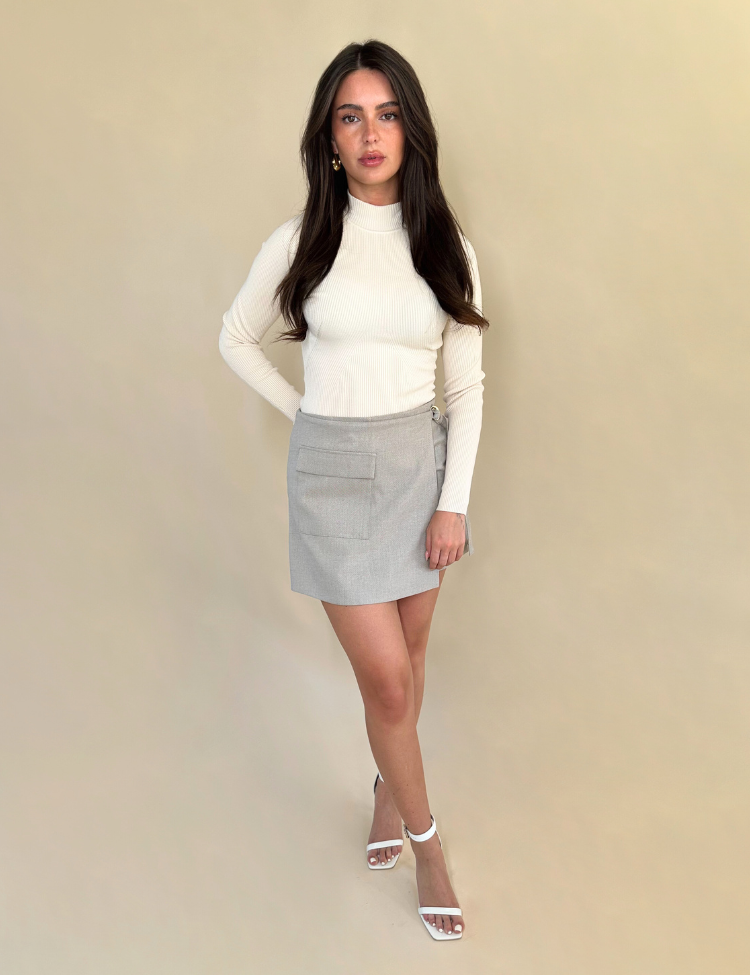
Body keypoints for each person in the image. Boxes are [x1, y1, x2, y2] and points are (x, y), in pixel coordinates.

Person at [218, 38, 488, 942]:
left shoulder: (445, 246)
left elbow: (467, 387)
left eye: (387, 114)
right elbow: (235, 336)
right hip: (332, 480)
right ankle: (430, 844)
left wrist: (453, 502)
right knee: (387, 684)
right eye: (350, 117)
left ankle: (385, 791)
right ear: (329, 140)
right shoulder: (303, 240)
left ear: (410, 130)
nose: (370, 134)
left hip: (420, 469)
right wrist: (306, 414)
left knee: (407, 667)